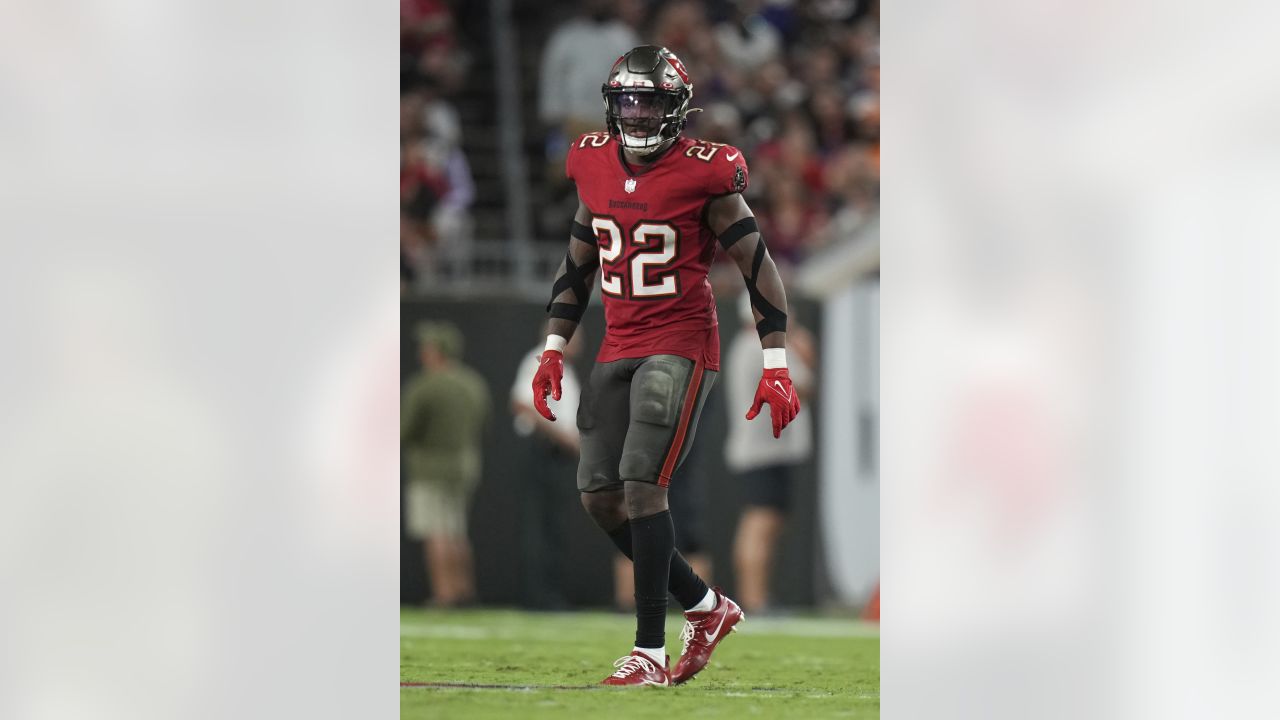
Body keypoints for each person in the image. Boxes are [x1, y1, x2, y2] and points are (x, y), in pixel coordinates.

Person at [531, 46, 802, 687]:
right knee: (599, 496)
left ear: (678, 108)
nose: (637, 112)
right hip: (618, 343)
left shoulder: (706, 173)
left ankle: (648, 652)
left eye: (650, 100)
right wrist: (552, 346)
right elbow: (577, 264)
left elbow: (757, 266)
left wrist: (776, 360)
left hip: (681, 343)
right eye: (627, 100)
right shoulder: (592, 162)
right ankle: (707, 607)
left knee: (641, 484)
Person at [725, 293, 816, 614]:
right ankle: (755, 601)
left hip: (765, 448)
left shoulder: (746, 345)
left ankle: (757, 598)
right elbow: (803, 384)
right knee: (759, 523)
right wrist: (805, 352)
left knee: (765, 524)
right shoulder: (761, 348)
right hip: (764, 450)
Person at [401, 321, 491, 607]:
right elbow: (483, 424)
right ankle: (464, 590)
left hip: (431, 467)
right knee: (456, 531)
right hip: (465, 464)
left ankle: (444, 595)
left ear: (434, 351)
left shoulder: (426, 386)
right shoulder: (473, 383)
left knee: (436, 531)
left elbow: (404, 430)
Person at [510, 327, 584, 610]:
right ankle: (538, 596)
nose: (581, 343)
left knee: (554, 526)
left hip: (559, 454)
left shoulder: (568, 368)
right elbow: (521, 404)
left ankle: (550, 594)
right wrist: (562, 437)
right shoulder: (539, 359)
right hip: (543, 450)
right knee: (540, 525)